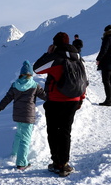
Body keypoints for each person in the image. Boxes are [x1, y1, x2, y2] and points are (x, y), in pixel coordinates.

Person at [33, 32, 86, 177]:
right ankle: (64, 163)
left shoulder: (56, 57)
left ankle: (57, 162)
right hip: (73, 100)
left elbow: (36, 68)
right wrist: (81, 98)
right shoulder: (78, 57)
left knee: (53, 131)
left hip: (56, 100)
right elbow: (82, 79)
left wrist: (48, 53)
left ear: (55, 43)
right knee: (65, 132)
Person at [0, 61, 47, 170]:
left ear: (21, 74)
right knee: (25, 139)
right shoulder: (35, 85)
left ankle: (14, 154)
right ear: (31, 74)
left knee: (19, 134)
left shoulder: (15, 85)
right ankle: (21, 163)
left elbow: (7, 99)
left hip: (17, 115)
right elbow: (46, 97)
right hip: (28, 115)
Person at [96, 24, 111, 106]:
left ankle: (108, 100)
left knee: (106, 81)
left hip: (107, 62)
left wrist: (98, 59)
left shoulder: (107, 38)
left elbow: (104, 50)